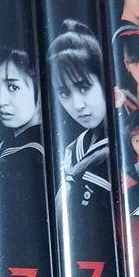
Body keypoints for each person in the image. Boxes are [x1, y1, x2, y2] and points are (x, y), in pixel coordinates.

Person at [47, 20, 110, 197]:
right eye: (64, 93)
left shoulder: (133, 145)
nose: (78, 105)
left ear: (104, 79)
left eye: (84, 88)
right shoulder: (71, 151)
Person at [0, 47, 44, 169]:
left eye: (13, 87)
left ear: (40, 90)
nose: (0, 101)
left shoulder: (30, 155)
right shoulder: (8, 141)